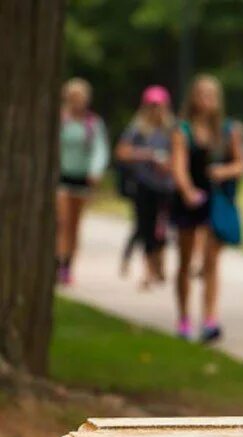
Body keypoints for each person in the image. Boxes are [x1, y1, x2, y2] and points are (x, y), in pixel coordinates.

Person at [171, 74, 243, 341]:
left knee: (211, 263)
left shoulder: (228, 131)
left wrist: (222, 171)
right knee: (185, 260)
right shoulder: (183, 130)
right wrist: (188, 191)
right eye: (202, 94)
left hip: (215, 202)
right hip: (189, 202)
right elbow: (178, 167)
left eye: (211, 95)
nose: (207, 100)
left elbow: (240, 164)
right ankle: (183, 318)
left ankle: (210, 319)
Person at [115, 85, 175, 289]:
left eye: (159, 105)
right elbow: (122, 152)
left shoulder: (172, 129)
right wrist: (147, 155)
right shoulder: (137, 129)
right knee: (146, 227)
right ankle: (148, 270)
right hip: (144, 184)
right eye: (152, 106)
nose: (156, 110)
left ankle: (160, 263)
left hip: (167, 185)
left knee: (164, 228)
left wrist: (169, 164)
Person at [56, 78, 110, 285]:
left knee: (75, 225)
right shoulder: (62, 121)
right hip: (62, 176)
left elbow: (100, 149)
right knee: (62, 221)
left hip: (82, 177)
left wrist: (95, 170)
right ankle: (57, 259)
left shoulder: (93, 123)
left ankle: (68, 265)